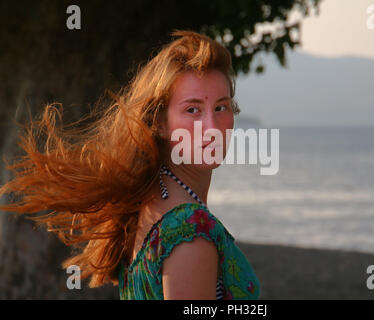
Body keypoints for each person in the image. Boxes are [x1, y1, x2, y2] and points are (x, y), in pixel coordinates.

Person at [0, 30, 260, 300]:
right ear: (159, 123)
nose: (211, 128)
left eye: (221, 107)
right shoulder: (190, 231)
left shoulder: (149, 203)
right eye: (192, 110)